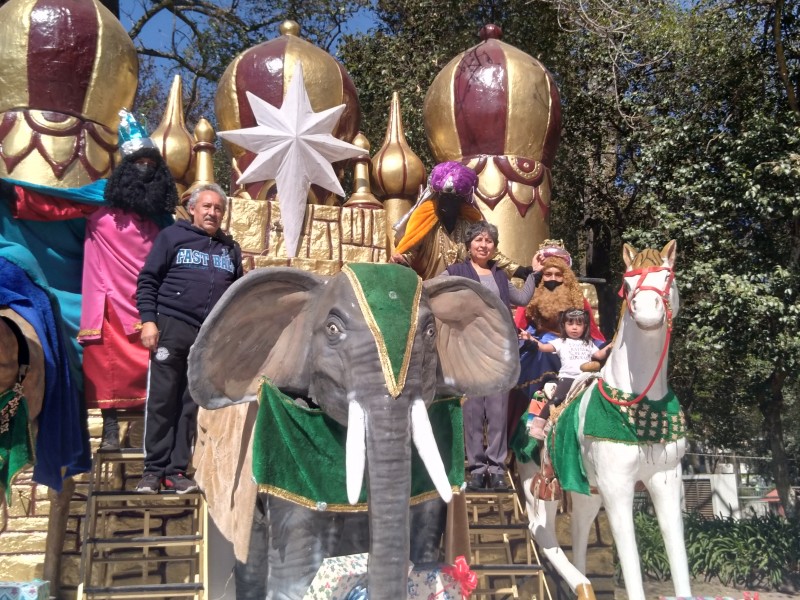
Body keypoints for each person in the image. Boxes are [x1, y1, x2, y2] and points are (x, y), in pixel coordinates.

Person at [135, 183, 243, 494]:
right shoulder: (172, 237)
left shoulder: (229, 248)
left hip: (208, 336)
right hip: (172, 326)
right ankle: (153, 471)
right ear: (193, 209)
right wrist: (148, 322)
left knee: (188, 403)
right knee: (162, 400)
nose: (212, 212)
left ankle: (176, 472)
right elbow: (148, 280)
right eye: (207, 206)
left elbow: (237, 294)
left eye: (218, 208)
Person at [79, 117, 178, 451]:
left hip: (148, 301)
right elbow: (52, 202)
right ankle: (110, 429)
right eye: (139, 163)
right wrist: (15, 194)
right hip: (106, 296)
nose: (146, 169)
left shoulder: (162, 219)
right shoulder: (97, 200)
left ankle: (155, 434)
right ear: (125, 168)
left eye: (152, 163)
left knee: (153, 363)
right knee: (105, 358)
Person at [441, 221, 541, 491]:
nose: (484, 245)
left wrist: (535, 274)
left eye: (489, 241)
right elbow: (434, 292)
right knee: (473, 411)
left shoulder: (498, 275)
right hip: (470, 348)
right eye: (479, 240)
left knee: (497, 411)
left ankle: (496, 469)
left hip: (498, 348)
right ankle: (476, 469)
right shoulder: (455, 271)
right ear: (469, 244)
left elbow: (520, 299)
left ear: (494, 247)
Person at [391, 162, 526, 280]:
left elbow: (488, 252)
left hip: (463, 294)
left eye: (455, 199)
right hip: (428, 294)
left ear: (462, 201)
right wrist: (402, 261)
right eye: (445, 197)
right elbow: (410, 250)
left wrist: (519, 270)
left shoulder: (469, 226)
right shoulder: (426, 224)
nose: (449, 203)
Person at [521, 309, 612, 439]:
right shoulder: (560, 342)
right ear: (563, 325)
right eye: (570, 324)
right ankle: (538, 425)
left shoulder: (588, 343)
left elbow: (599, 355)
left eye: (579, 324)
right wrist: (530, 338)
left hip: (587, 378)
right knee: (558, 398)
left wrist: (611, 345)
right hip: (568, 377)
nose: (574, 328)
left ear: (585, 326)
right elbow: (542, 347)